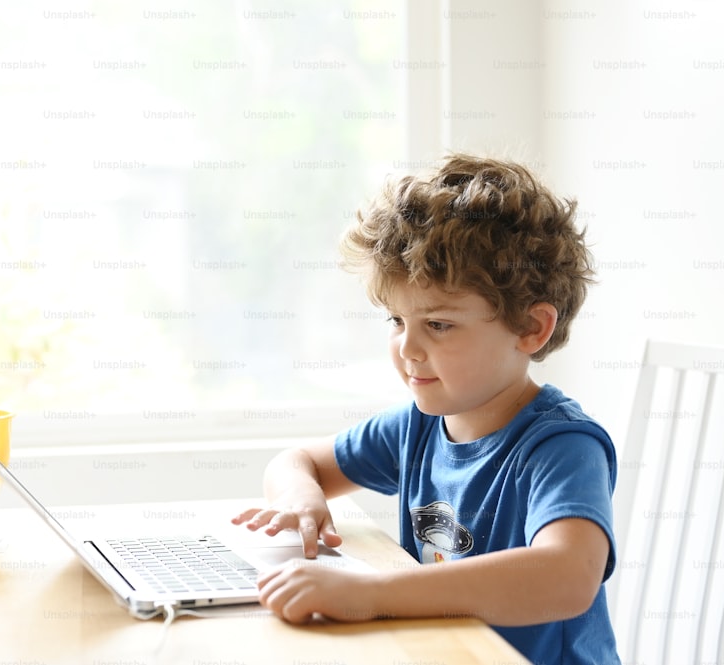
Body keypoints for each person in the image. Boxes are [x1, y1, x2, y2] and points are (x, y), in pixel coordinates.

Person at [231, 154, 620, 664]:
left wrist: (371, 596)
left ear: (531, 328)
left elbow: (568, 578)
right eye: (396, 319)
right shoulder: (416, 427)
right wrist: (303, 498)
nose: (407, 349)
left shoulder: (562, 446)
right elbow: (293, 462)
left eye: (438, 324)